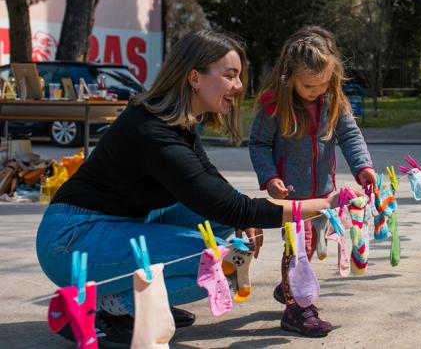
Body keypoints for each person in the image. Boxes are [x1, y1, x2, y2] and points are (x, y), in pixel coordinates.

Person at [37, 30, 347, 347]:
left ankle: (134, 300)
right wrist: (324, 202)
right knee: (223, 266)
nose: (239, 86)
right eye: (230, 75)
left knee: (226, 226)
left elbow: (211, 183)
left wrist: (243, 215)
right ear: (195, 78)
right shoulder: (155, 134)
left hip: (115, 224)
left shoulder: (176, 120)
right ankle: (106, 306)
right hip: (71, 240)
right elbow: (229, 206)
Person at [249, 26, 376, 337]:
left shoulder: (332, 100)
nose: (315, 91)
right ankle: (296, 309)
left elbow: (350, 136)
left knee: (313, 246)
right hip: (290, 199)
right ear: (288, 74)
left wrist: (363, 167)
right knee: (299, 248)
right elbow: (259, 144)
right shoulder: (274, 103)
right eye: (308, 86)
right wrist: (270, 177)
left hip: (323, 196)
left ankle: (287, 286)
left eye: (322, 84)